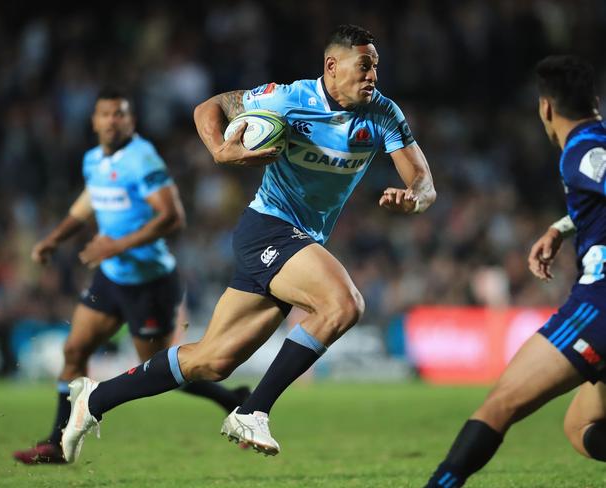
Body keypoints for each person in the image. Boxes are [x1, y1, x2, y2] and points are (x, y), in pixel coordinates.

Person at [60, 24, 436, 462]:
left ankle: (95, 399)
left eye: (376, 67)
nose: (373, 76)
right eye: (364, 66)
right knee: (344, 303)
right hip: (269, 227)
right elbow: (210, 106)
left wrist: (414, 199)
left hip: (299, 238)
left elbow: (424, 181)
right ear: (332, 67)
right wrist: (220, 149)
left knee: (212, 361)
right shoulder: (289, 99)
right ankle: (254, 409)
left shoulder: (383, 114)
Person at [13, 88, 250, 465]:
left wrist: (116, 245)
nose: (113, 121)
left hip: (150, 282)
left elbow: (172, 217)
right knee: (74, 350)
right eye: (106, 114)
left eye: (120, 114)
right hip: (112, 278)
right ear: (94, 121)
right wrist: (52, 240)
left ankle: (233, 400)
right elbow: (89, 201)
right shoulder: (93, 160)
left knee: (156, 370)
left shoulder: (142, 159)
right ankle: (57, 443)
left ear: (131, 121)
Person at [425, 55, 606, 487]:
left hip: (599, 306)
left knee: (500, 404)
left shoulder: (583, 147)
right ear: (594, 100)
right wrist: (561, 227)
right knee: (583, 428)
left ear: (545, 107)